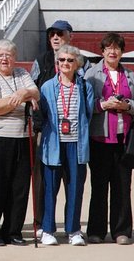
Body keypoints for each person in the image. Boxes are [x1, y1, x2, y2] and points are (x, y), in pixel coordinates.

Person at [0, 39, 40, 247]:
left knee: (18, 188)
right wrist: (22, 97)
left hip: (21, 137)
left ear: (15, 58)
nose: (5, 58)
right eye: (0, 55)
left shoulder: (23, 74)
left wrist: (25, 93)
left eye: (9, 55)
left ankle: (13, 231)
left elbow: (36, 92)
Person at [84, 32, 134, 245]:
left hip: (123, 140)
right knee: (99, 186)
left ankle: (121, 230)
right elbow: (83, 105)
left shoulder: (130, 75)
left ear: (122, 52)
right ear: (102, 51)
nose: (113, 52)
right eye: (108, 48)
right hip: (99, 139)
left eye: (117, 48)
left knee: (122, 186)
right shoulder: (91, 74)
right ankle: (96, 231)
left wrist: (127, 106)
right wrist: (103, 105)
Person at [30, 19, 90, 237]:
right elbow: (32, 89)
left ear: (69, 36)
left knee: (74, 184)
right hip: (48, 131)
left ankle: (72, 228)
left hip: (75, 136)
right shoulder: (41, 61)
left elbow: (89, 109)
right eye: (52, 34)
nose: (55, 37)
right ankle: (43, 225)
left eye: (60, 33)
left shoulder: (85, 76)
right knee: (44, 182)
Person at [38, 45, 94, 246]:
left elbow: (87, 114)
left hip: (76, 145)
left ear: (77, 63)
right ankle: (47, 229)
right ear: (56, 63)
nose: (65, 64)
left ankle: (73, 230)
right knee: (50, 188)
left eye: (70, 60)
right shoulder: (46, 87)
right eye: (61, 60)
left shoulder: (85, 87)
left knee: (75, 188)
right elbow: (43, 115)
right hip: (53, 143)